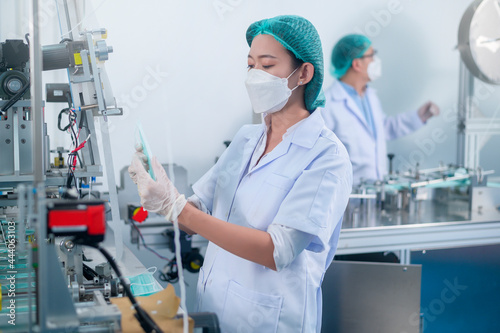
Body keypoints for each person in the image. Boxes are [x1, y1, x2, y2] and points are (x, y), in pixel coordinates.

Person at [128, 15, 352, 333]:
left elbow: (277, 251)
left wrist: (176, 207)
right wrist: (162, 188)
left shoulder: (326, 157)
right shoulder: (247, 139)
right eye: (250, 65)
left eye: (267, 65)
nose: (254, 76)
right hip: (214, 310)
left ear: (304, 72)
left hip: (270, 320)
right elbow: (199, 212)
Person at [321, 34, 440, 185]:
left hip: (376, 190)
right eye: (371, 55)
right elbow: (322, 157)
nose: (376, 61)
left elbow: (382, 128)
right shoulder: (329, 105)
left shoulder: (369, 95)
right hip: (348, 195)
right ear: (357, 64)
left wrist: (418, 117)